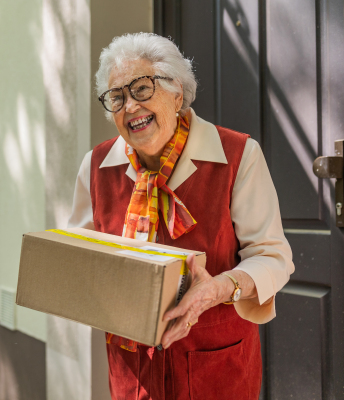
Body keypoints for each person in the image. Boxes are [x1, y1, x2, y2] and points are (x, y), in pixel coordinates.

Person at [68, 33, 294, 400]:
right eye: (116, 97)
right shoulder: (95, 167)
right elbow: (83, 259)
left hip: (217, 369)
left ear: (177, 93)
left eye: (142, 88)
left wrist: (218, 288)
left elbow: (273, 257)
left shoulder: (238, 156)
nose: (129, 107)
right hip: (133, 372)